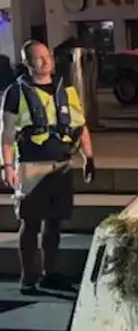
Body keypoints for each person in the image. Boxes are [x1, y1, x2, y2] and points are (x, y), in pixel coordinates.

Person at [1, 41, 96, 294]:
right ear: (28, 63)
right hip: (31, 165)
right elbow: (7, 134)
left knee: (54, 223)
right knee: (30, 222)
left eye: (47, 56)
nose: (45, 61)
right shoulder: (15, 92)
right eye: (38, 58)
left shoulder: (67, 90)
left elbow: (80, 125)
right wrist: (8, 165)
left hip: (62, 165)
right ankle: (28, 278)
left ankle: (49, 273)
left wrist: (89, 157)